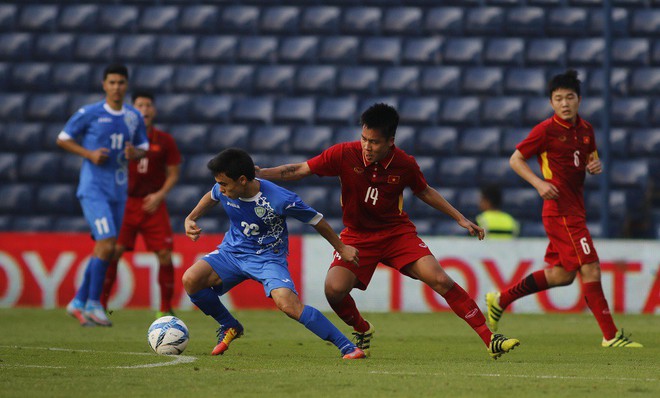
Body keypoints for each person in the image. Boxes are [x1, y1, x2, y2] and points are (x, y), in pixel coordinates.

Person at [257, 103, 520, 359]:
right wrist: (262, 174)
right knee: (333, 290)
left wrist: (460, 218)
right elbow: (299, 169)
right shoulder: (343, 154)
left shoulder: (404, 164)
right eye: (364, 139)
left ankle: (490, 339)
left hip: (396, 234)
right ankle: (362, 329)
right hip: (357, 236)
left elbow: (424, 191)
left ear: (390, 141)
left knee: (440, 279)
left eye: (374, 142)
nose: (367, 147)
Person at [485, 70, 643, 348]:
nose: (564, 103)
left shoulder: (586, 130)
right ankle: (610, 335)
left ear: (579, 99)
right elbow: (516, 159)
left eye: (569, 97)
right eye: (558, 99)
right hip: (560, 211)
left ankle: (501, 299)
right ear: (551, 102)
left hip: (574, 209)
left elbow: (590, 159)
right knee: (590, 267)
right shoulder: (545, 130)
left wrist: (594, 166)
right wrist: (538, 183)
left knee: (562, 275)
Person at [181, 148, 366, 359]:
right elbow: (212, 195)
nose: (220, 189)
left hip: (268, 258)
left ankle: (348, 347)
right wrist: (191, 217)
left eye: (224, 184)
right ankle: (229, 325)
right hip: (232, 252)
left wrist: (341, 248)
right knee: (191, 279)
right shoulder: (224, 188)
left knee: (289, 305)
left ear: (242, 180)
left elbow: (315, 220)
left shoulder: (279, 199)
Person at [58, 64, 149, 327]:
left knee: (106, 247)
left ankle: (78, 301)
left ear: (126, 85)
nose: (117, 87)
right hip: (93, 189)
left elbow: (143, 147)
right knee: (108, 242)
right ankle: (93, 304)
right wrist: (89, 154)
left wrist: (136, 154)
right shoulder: (90, 113)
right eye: (112, 82)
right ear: (104, 85)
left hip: (118, 191)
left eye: (121, 82)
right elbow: (63, 138)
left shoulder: (133, 116)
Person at [99, 91, 182, 318]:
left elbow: (173, 173)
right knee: (113, 251)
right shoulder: (120, 138)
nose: (144, 109)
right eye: (139, 105)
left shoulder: (164, 140)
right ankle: (100, 305)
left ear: (153, 110)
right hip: (126, 204)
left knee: (164, 254)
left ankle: (165, 307)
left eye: (148, 105)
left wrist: (159, 195)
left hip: (153, 204)